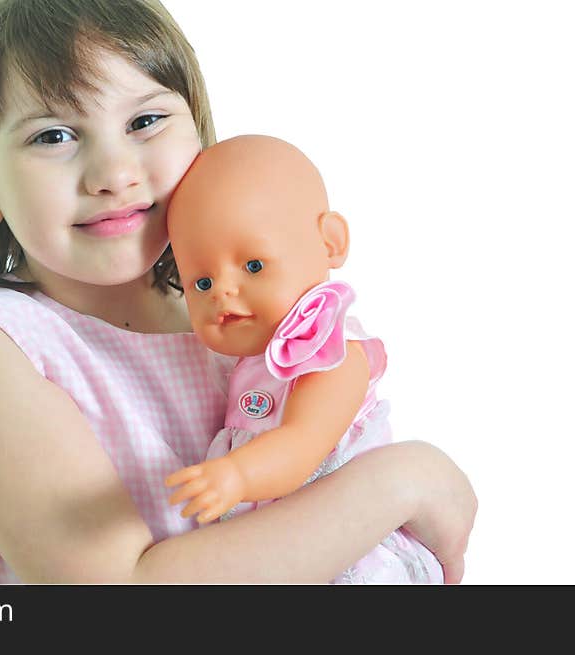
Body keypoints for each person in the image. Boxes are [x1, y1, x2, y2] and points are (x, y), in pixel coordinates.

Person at [0, 0, 477, 584]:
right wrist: (405, 481)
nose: (115, 173)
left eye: (145, 122)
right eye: (53, 135)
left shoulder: (232, 314)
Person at [164, 135, 442, 583]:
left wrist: (235, 475)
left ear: (329, 242)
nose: (223, 292)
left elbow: (301, 445)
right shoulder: (245, 365)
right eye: (200, 283)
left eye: (252, 265)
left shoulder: (334, 353)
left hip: (351, 552)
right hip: (282, 551)